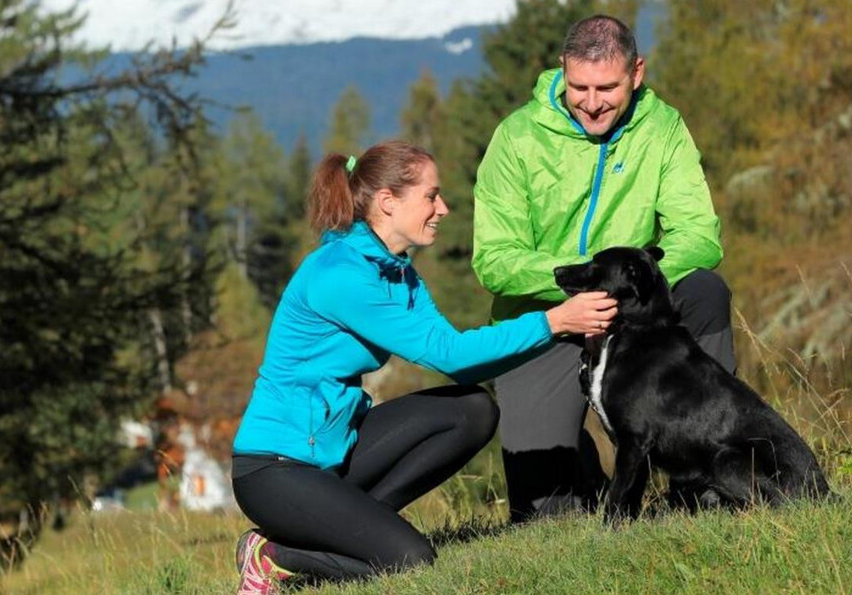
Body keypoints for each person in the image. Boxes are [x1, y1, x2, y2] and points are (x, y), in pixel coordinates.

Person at [230, 140, 615, 593]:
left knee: (472, 409)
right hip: (276, 469)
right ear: (388, 202)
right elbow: (447, 352)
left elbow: (462, 367)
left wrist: (559, 330)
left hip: (336, 449)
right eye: (431, 196)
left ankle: (355, 529)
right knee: (412, 562)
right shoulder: (341, 275)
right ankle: (272, 554)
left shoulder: (396, 271)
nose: (444, 208)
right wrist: (553, 321)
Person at [472, 15, 735, 523]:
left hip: (635, 316)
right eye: (579, 87)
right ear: (562, 73)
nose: (592, 102)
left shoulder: (662, 129)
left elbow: (699, 235)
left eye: (607, 87)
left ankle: (704, 479)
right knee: (547, 517)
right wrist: (579, 295)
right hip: (546, 319)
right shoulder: (517, 138)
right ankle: (585, 469)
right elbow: (495, 260)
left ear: (636, 73)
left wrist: (626, 290)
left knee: (705, 290)